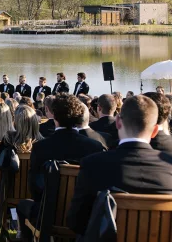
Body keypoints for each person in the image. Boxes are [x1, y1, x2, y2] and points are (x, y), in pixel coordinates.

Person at [67, 96, 172, 237]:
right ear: (154, 131)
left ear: (117, 122)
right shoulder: (169, 166)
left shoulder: (93, 164)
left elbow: (76, 222)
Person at [16, 94, 104, 241]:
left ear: (54, 117)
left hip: (47, 215)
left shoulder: (40, 148)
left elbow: (34, 187)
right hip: (82, 217)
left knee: (23, 206)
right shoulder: (94, 147)